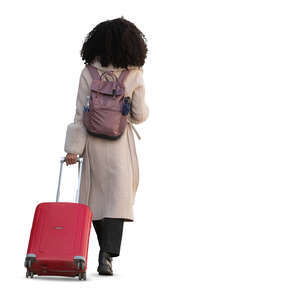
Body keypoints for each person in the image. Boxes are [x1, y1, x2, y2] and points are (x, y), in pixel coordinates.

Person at [63, 17, 149, 276]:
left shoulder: (88, 71)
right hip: (120, 146)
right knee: (117, 200)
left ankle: (100, 250)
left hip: (92, 144)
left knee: (95, 199)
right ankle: (107, 254)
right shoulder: (134, 73)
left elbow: (79, 113)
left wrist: (73, 149)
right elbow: (140, 114)